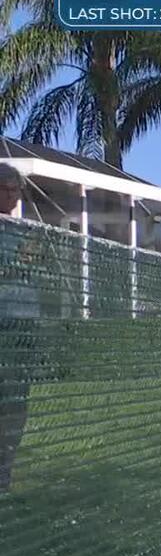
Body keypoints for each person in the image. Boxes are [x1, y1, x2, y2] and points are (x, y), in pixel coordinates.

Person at [0, 164, 39, 494]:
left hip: (24, 329)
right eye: (8, 190)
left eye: (17, 191)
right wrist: (19, 263)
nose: (14, 198)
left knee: (16, 403)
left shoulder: (19, 229)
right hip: (4, 327)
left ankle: (4, 474)